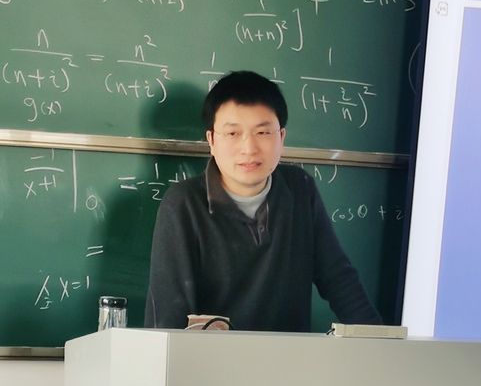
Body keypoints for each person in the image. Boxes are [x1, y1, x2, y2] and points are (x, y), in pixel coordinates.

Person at [144, 70, 382, 331]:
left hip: (288, 356)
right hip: (211, 357)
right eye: (233, 134)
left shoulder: (300, 190)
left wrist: (378, 343)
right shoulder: (183, 204)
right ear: (211, 140)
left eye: (263, 132)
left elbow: (339, 280)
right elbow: (167, 316)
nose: (249, 148)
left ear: (281, 137)